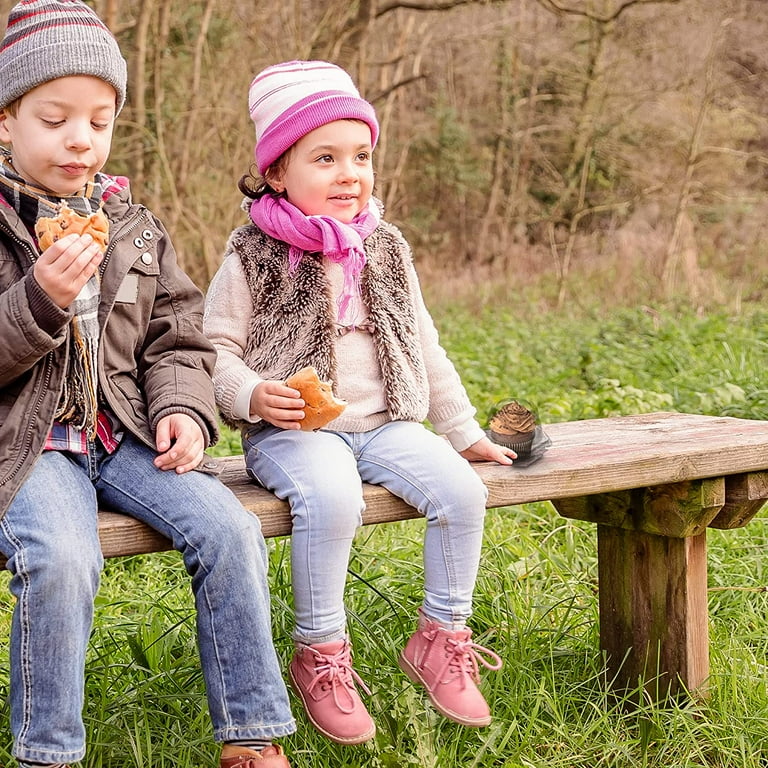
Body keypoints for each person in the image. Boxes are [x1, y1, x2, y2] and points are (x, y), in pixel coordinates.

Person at [0, 3, 296, 767]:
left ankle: (251, 733)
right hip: (29, 446)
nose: (79, 138)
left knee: (230, 529)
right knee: (63, 559)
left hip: (124, 433)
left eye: (98, 121)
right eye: (54, 117)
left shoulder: (132, 224)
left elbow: (177, 336)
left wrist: (185, 412)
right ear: (7, 122)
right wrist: (38, 301)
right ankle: (49, 753)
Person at [203, 59, 513, 747]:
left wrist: (461, 430)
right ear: (278, 173)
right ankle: (320, 653)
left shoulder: (386, 246)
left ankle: (441, 636)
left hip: (385, 423)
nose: (350, 173)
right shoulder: (252, 253)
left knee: (462, 492)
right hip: (294, 433)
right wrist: (253, 393)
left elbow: (423, 342)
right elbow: (212, 351)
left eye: (361, 156)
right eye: (325, 158)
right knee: (334, 497)